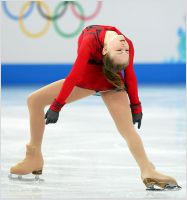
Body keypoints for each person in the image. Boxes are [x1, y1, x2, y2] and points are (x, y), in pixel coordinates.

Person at [10, 25, 181, 190]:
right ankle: (147, 169)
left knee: (34, 101)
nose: (124, 47)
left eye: (124, 51)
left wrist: (136, 106)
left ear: (105, 50)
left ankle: (33, 157)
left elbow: (125, 75)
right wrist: (135, 106)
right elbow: (123, 75)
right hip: (102, 81)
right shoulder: (124, 42)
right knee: (127, 130)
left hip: (94, 81)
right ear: (105, 51)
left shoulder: (91, 41)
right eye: (122, 51)